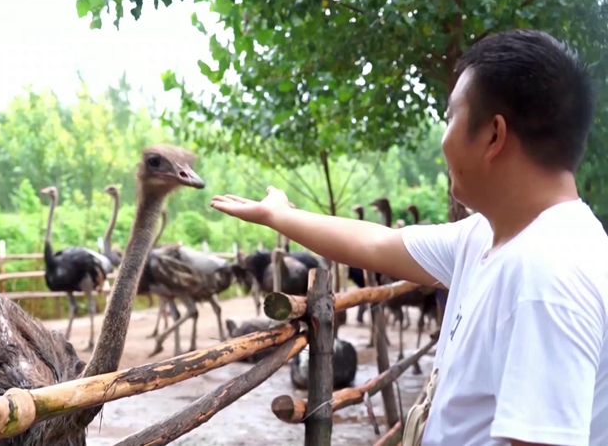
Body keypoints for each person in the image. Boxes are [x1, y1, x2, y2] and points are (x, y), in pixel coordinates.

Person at [211, 29, 607, 446]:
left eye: (451, 116)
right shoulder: (488, 235)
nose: (444, 138)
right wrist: (280, 216)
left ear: (493, 135)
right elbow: (375, 243)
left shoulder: (549, 276)